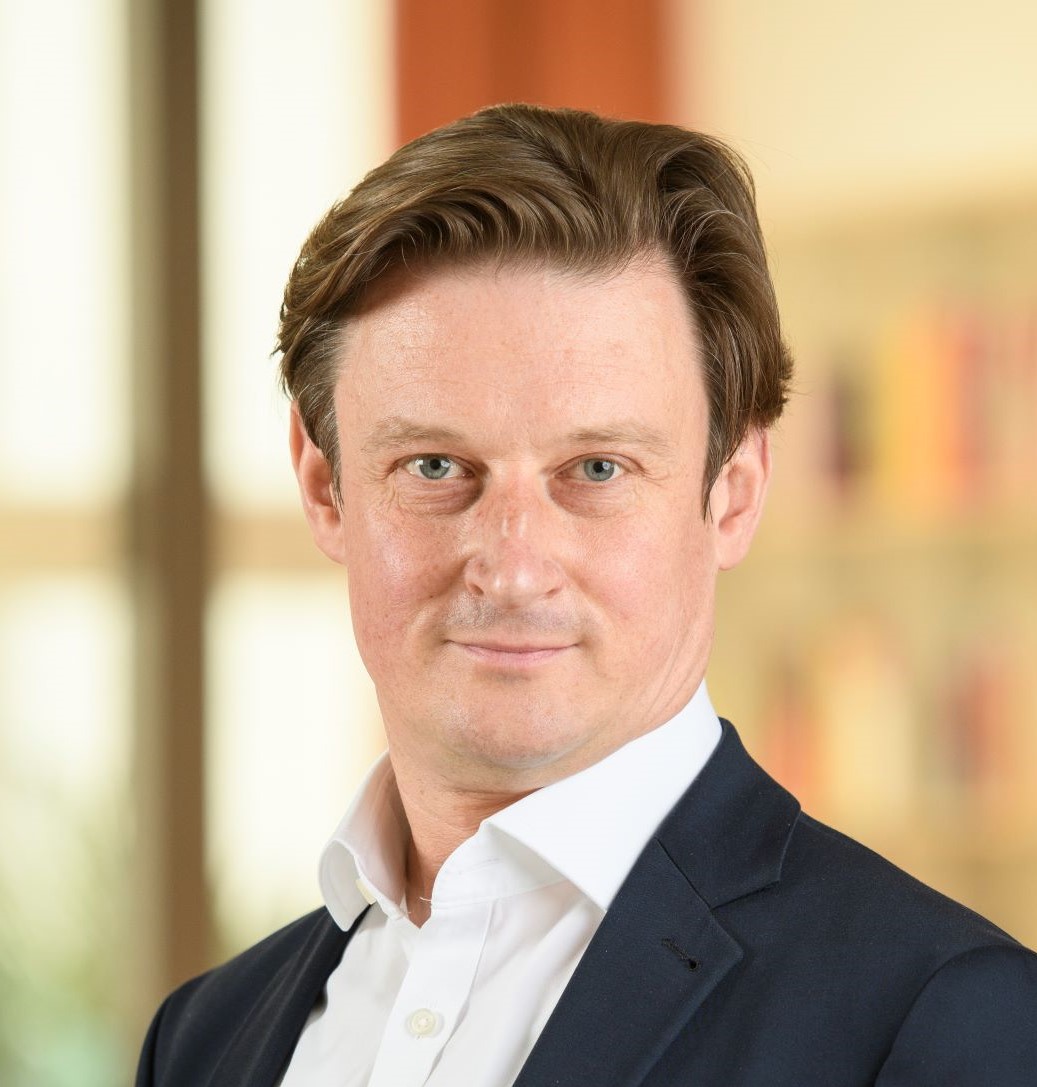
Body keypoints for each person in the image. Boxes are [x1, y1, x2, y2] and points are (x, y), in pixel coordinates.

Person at [136, 104, 1037, 1086]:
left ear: (733, 494)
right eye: (434, 465)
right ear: (325, 488)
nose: (512, 566)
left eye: (597, 469)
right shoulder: (200, 1040)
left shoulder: (948, 1019)